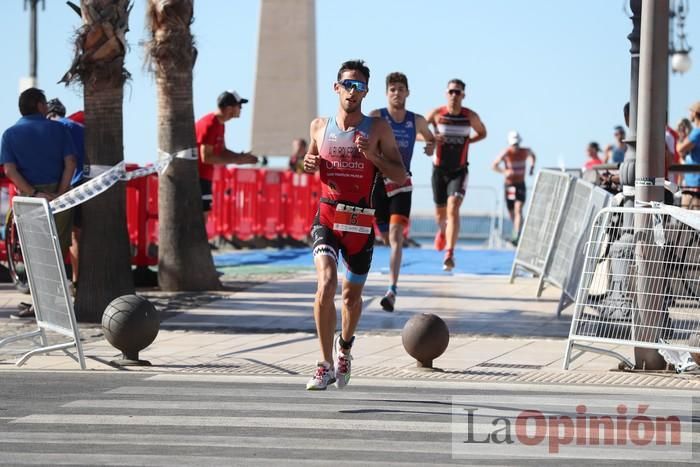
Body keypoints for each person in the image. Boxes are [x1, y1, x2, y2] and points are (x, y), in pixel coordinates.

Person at [303, 59, 406, 390]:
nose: (352, 91)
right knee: (326, 283)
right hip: (328, 215)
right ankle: (324, 364)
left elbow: (399, 174)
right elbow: (309, 160)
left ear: (366, 92)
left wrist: (372, 156)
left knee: (350, 298)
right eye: (348, 84)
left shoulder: (376, 129)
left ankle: (344, 346)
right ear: (337, 88)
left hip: (361, 221)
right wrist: (305, 163)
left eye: (359, 86)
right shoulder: (319, 126)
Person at [0, 88, 77, 318]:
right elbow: (71, 162)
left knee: (35, 252)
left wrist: (33, 193)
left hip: (28, 198)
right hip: (60, 195)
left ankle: (39, 305)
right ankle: (48, 304)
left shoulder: (10, 134)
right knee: (57, 250)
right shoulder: (59, 129)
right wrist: (60, 194)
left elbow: (9, 170)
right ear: (40, 106)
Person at [369, 72, 434, 312]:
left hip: (402, 184)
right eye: (392, 89)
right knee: (386, 237)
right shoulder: (377, 117)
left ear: (408, 93)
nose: (397, 93)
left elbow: (431, 139)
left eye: (400, 89)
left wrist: (430, 147)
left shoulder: (416, 120)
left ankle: (392, 290)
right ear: (387, 93)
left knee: (396, 237)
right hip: (377, 184)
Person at [425, 79, 487, 271]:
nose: (454, 95)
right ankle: (442, 232)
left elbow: (483, 133)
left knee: (453, 209)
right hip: (439, 170)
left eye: (457, 92)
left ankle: (449, 253)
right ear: (446, 93)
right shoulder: (437, 114)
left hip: (459, 171)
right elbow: (417, 132)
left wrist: (468, 142)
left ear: (463, 95)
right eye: (451, 91)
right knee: (440, 215)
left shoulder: (470, 116)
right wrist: (431, 139)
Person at [196, 90, 258, 225]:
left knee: (204, 214)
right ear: (229, 108)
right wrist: (236, 160)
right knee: (201, 216)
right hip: (198, 177)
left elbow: (222, 151)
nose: (241, 109)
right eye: (239, 106)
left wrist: (240, 158)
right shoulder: (210, 123)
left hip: (205, 176)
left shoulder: (219, 124)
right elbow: (206, 157)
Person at [46, 98, 85, 288]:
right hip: (86, 186)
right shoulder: (80, 127)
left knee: (59, 237)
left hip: (64, 186)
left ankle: (55, 284)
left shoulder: (53, 129)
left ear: (49, 114)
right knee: (77, 236)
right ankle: (77, 282)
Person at [491, 131, 536, 246]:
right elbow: (494, 165)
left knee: (518, 209)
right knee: (512, 212)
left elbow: (533, 155)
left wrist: (531, 167)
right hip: (510, 185)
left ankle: (517, 234)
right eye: (513, 145)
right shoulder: (506, 153)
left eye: (517, 144)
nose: (515, 147)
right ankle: (519, 228)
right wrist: (504, 171)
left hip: (520, 184)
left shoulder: (525, 151)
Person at [677, 102, 700, 210]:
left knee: (691, 221)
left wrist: (680, 141)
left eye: (690, 111)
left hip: (695, 186)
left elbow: (680, 149)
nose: (689, 114)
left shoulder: (697, 132)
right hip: (692, 185)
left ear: (695, 113)